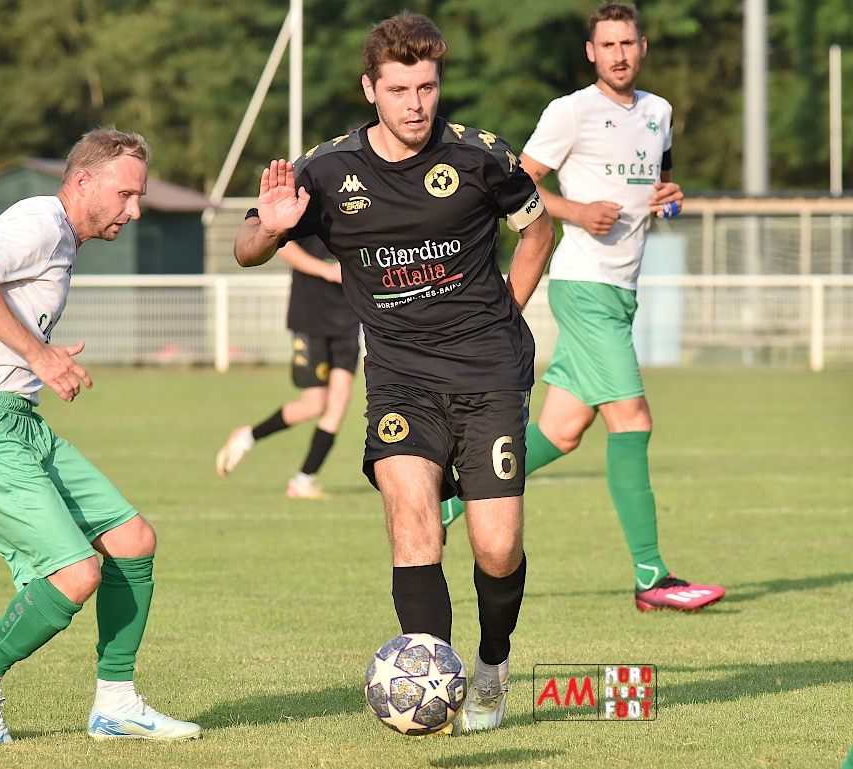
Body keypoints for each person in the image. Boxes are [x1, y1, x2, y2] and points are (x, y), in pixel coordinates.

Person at [233, 12, 555, 733]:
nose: (416, 104)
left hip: (489, 374)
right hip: (400, 380)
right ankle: (431, 689)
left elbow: (539, 230)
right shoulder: (327, 171)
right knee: (415, 530)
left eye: (427, 87)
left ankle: (492, 663)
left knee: (497, 547)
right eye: (400, 89)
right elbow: (245, 247)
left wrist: (508, 309)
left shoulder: (481, 157)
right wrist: (272, 226)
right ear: (369, 89)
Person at [444, 2, 724, 613]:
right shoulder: (570, 111)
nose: (619, 54)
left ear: (642, 47)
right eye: (608, 45)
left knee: (560, 433)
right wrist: (575, 211)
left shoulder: (659, 113)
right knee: (633, 422)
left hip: (622, 293)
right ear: (592, 53)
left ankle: (449, 503)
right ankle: (652, 577)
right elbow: (515, 182)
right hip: (584, 284)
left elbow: (658, 185)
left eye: (628, 43)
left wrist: (671, 198)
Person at [0, 129, 201, 744]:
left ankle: (116, 704)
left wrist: (4, 361)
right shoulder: (41, 220)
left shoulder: (60, 238)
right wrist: (38, 356)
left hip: (17, 420)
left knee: (132, 540)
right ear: (83, 182)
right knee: (77, 574)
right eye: (126, 195)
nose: (135, 210)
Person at [215, 234, 361, 499]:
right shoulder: (308, 211)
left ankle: (302, 481)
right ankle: (247, 436)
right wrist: (326, 270)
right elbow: (284, 248)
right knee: (314, 405)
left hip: (348, 318)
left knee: (340, 399)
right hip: (311, 317)